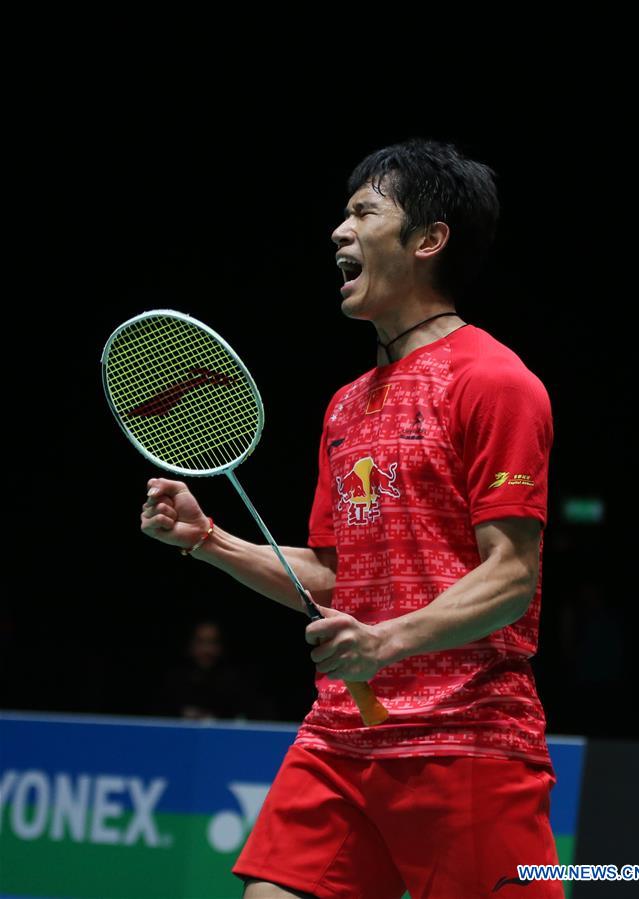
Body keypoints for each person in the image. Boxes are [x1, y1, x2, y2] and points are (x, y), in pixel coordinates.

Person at [140, 138, 563, 898]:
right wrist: (206, 538)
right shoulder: (345, 405)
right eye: (342, 213)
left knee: (586, 873)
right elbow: (335, 579)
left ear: (429, 240)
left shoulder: (495, 382)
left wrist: (386, 641)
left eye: (364, 212)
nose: (339, 230)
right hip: (342, 736)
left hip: (463, 741)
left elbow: (510, 575)